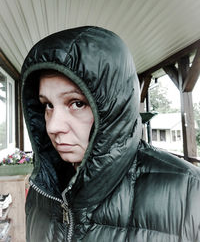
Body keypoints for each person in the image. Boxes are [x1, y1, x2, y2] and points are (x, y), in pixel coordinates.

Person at [21, 26, 200, 242]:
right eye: (47, 105)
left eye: (77, 103)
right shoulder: (41, 192)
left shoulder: (190, 193)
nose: (53, 126)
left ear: (115, 108)